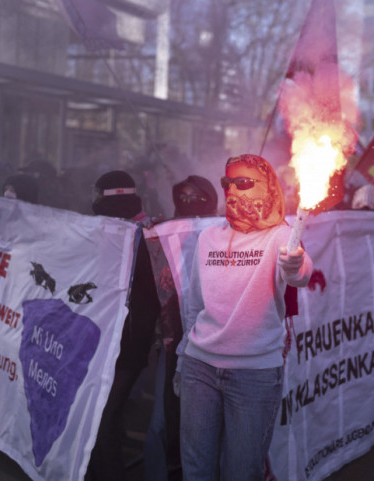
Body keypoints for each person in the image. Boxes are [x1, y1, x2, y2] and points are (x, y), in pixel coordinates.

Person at [176, 154, 313, 480]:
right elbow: (195, 304)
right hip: (200, 370)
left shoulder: (282, 235)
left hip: (254, 375)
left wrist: (295, 265)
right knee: (195, 469)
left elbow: (301, 272)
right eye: (228, 182)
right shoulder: (209, 237)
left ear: (266, 186)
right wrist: (184, 357)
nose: (233, 190)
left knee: (241, 472)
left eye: (244, 182)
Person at [86, 170, 160, 481]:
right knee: (107, 414)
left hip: (127, 343)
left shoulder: (143, 237)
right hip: (110, 339)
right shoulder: (125, 232)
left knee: (103, 415)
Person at [144, 175, 218, 481]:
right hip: (172, 341)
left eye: (195, 197)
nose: (187, 204)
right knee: (161, 421)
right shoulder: (165, 234)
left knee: (204, 424)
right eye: (182, 197)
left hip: (212, 344)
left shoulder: (223, 234)